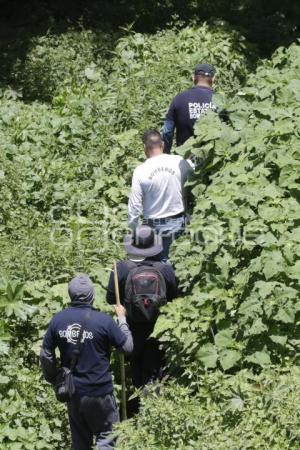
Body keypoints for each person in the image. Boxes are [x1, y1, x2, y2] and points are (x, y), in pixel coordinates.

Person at [40, 274, 133, 450]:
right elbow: (127, 347)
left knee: (80, 443)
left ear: (70, 294)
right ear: (92, 295)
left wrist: (54, 379)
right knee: (106, 437)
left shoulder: (58, 320)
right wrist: (121, 319)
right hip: (101, 392)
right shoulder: (104, 321)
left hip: (73, 392)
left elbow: (46, 354)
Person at [106, 225, 177, 394]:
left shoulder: (122, 268)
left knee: (136, 364)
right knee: (157, 367)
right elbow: (175, 297)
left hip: (132, 325)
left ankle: (141, 399)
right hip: (159, 326)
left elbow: (111, 299)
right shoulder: (164, 269)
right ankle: (157, 401)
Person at [128, 129, 192, 261]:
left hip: (152, 224)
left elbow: (134, 205)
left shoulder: (140, 171)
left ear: (145, 148)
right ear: (162, 144)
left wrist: (134, 230)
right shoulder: (179, 162)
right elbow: (192, 176)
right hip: (177, 221)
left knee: (153, 264)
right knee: (176, 261)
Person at [162, 63, 216, 153]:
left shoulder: (179, 98)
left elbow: (167, 131)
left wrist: (166, 153)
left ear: (193, 77)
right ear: (213, 79)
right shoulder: (221, 102)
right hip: (211, 161)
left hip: (185, 157)